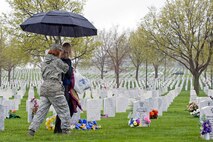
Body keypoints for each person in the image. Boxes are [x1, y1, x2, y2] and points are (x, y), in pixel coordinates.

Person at [28, 44, 71, 136]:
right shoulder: (57, 61)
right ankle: (66, 130)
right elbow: (67, 69)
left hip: (44, 88)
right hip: (55, 88)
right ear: (58, 52)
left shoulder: (44, 62)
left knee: (41, 111)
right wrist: (66, 58)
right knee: (64, 110)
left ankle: (32, 130)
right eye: (61, 52)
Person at [54, 42, 77, 133]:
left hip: (61, 86)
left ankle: (59, 128)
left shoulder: (58, 60)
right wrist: (71, 69)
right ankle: (60, 129)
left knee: (65, 107)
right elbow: (68, 73)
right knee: (65, 107)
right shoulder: (66, 61)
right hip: (64, 86)